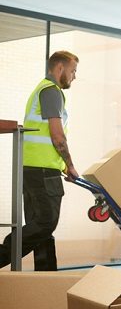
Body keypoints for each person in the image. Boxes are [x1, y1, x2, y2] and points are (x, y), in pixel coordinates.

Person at [0, 50, 80, 271]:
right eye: (73, 71)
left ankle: (46, 278)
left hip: (32, 170)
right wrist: (70, 165)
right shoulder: (51, 91)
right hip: (44, 173)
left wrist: (63, 165)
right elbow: (57, 136)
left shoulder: (40, 90)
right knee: (45, 223)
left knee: (40, 227)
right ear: (60, 68)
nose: (74, 76)